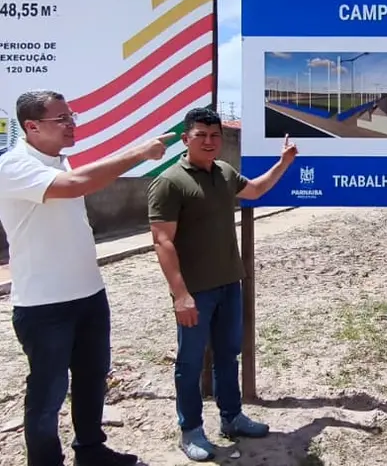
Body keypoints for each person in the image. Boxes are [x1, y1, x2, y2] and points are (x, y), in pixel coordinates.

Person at [0, 90, 174, 466]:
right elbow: (76, 185)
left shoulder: (60, 162)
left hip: (89, 296)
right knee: (48, 394)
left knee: (92, 379)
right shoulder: (13, 167)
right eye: (61, 119)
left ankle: (91, 451)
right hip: (44, 306)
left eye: (70, 116)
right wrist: (138, 153)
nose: (71, 124)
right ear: (31, 126)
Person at [146, 107, 298, 461]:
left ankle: (232, 418)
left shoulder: (224, 172)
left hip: (229, 283)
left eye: (215, 135)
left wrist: (284, 162)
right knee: (190, 361)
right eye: (202, 135)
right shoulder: (170, 182)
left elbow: (256, 190)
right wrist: (180, 295)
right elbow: (161, 241)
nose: (210, 142)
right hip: (195, 292)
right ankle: (191, 430)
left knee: (228, 355)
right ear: (186, 139)